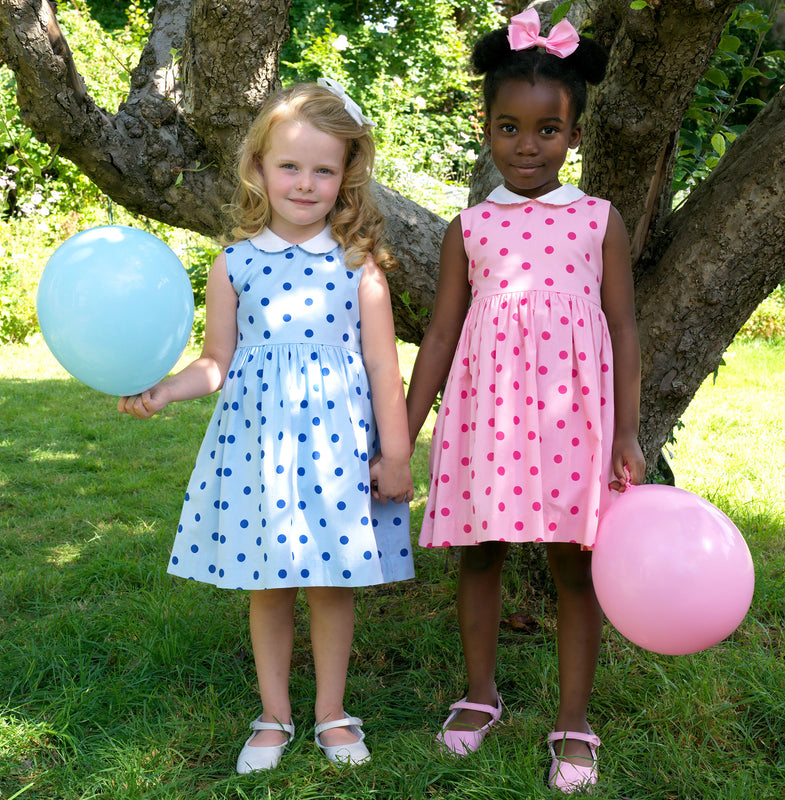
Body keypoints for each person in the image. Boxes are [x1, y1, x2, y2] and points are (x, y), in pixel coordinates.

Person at [119, 79, 415, 772]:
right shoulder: (235, 262)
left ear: (346, 177)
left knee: (332, 584)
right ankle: (275, 714)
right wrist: (166, 390)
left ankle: (333, 713)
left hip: (337, 452)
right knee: (270, 582)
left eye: (324, 169)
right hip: (262, 452)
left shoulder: (358, 266)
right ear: (258, 168)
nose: (306, 183)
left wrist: (396, 454)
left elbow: (383, 368)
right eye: (290, 166)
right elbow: (216, 361)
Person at [404, 8, 645, 794]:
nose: (527, 145)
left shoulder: (598, 220)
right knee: (480, 555)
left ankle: (574, 720)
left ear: (573, 133)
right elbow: (439, 337)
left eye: (547, 129)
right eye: (509, 127)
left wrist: (628, 432)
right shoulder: (467, 228)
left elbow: (622, 326)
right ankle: (480, 696)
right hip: (488, 419)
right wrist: (404, 433)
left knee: (576, 567)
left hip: (574, 418)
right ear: (486, 128)